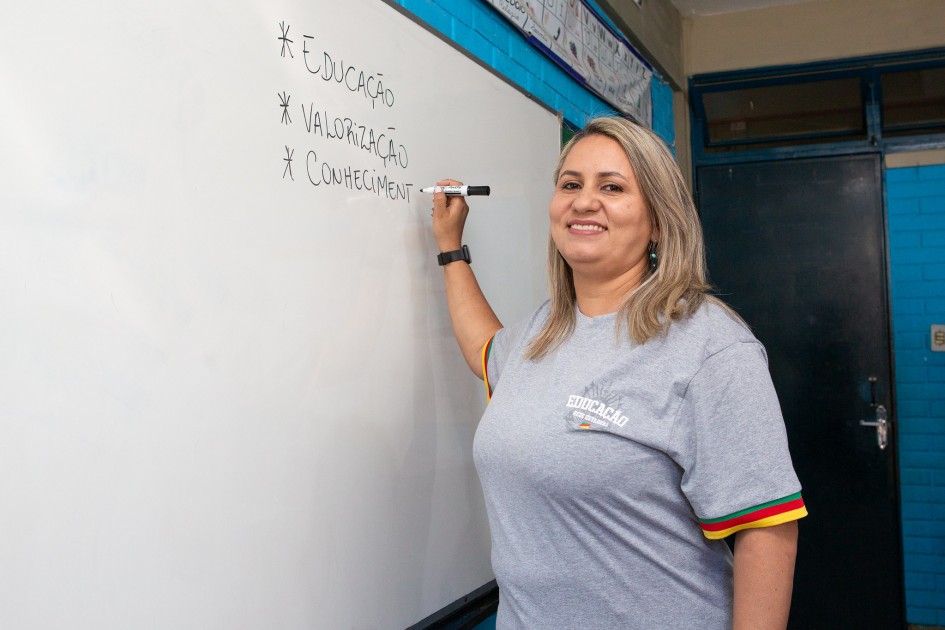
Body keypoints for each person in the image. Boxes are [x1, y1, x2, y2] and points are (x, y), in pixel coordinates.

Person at [431, 117, 806, 629]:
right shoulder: (540, 333)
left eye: (612, 186)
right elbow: (483, 349)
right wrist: (451, 250)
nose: (584, 201)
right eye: (571, 184)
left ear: (657, 220)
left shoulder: (710, 346)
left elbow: (767, 528)